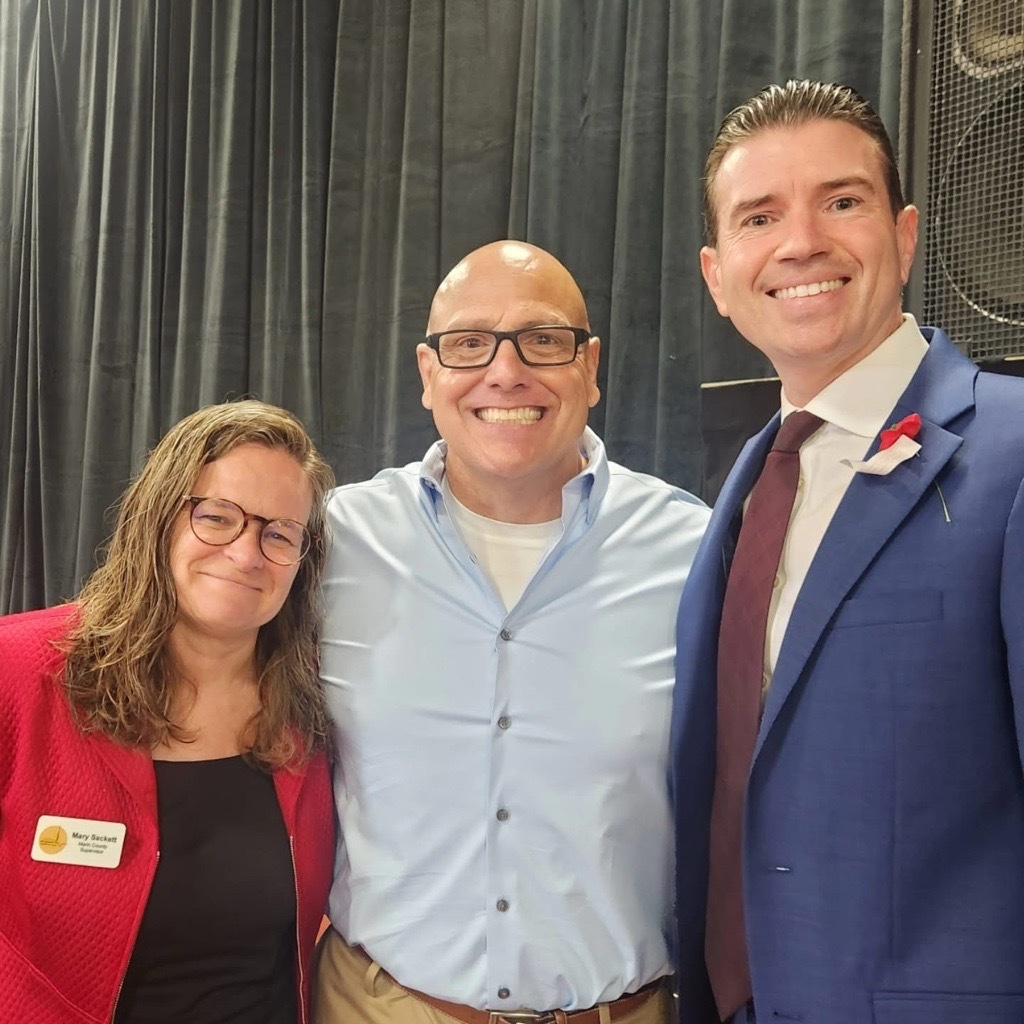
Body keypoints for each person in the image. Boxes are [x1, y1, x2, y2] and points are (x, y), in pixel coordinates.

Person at [670, 79, 1024, 1024]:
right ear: (717, 273)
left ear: (904, 235)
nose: (801, 244)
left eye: (841, 201)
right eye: (759, 217)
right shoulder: (746, 485)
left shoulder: (1014, 452)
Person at [315, 240, 710, 1024]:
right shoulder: (336, 539)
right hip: (378, 1006)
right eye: (468, 344)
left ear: (590, 367)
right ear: (428, 374)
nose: (505, 371)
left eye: (544, 340)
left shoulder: (693, 549)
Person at [0, 400, 337, 1024]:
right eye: (217, 517)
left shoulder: (317, 709)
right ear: (159, 518)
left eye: (279, 533)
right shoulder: (17, 671)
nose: (246, 553)